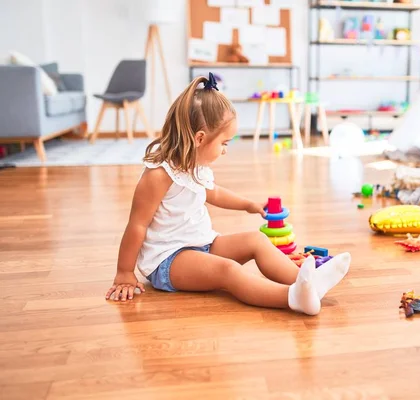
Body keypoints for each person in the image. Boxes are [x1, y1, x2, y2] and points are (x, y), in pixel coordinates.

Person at [105, 73, 351, 315]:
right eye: (224, 143)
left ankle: (307, 282)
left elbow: (214, 193)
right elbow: (137, 225)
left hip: (203, 245)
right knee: (228, 270)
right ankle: (292, 298)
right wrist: (125, 272)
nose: (225, 151)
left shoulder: (195, 165)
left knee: (256, 240)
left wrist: (248, 204)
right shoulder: (158, 176)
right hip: (168, 261)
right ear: (200, 138)